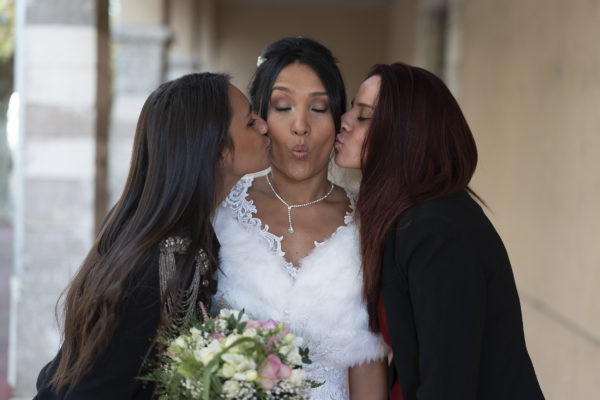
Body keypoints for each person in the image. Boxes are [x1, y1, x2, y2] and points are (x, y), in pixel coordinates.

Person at [34, 72, 271, 399]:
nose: (265, 126)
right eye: (249, 123)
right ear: (218, 152)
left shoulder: (150, 224)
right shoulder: (162, 259)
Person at [334, 62, 545, 400]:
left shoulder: (438, 230)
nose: (343, 120)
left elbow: (449, 382)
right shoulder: (407, 216)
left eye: (364, 115)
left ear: (405, 133)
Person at [212, 37, 388, 400]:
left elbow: (367, 365)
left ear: (340, 119)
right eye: (282, 106)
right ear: (259, 120)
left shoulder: (368, 225)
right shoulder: (220, 213)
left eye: (319, 108)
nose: (300, 126)